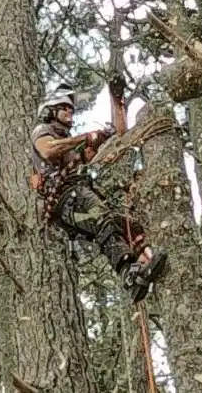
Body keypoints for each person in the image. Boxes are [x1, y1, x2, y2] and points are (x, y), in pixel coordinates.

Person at [30, 85, 168, 303]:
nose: (69, 112)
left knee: (126, 224)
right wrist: (84, 138)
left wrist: (117, 100)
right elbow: (48, 150)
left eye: (71, 109)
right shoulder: (43, 132)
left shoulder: (73, 149)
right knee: (104, 219)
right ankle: (128, 273)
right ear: (50, 111)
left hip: (79, 198)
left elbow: (119, 135)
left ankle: (145, 263)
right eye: (64, 108)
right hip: (67, 198)